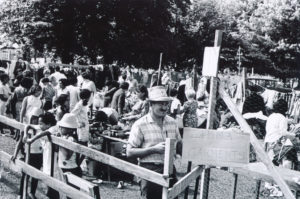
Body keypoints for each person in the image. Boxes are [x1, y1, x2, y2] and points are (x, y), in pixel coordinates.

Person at [127, 86, 181, 199]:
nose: (164, 107)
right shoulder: (140, 124)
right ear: (151, 104)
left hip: (170, 170)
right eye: (160, 104)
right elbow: (130, 152)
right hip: (149, 171)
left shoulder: (172, 123)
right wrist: (153, 149)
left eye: (166, 104)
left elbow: (179, 145)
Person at [11, 107, 44, 199]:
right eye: (34, 119)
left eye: (38, 119)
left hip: (38, 154)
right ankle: (21, 193)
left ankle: (32, 192)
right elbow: (19, 142)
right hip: (28, 154)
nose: (35, 121)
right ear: (31, 118)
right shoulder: (26, 129)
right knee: (25, 174)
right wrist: (15, 154)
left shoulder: (41, 129)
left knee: (35, 175)